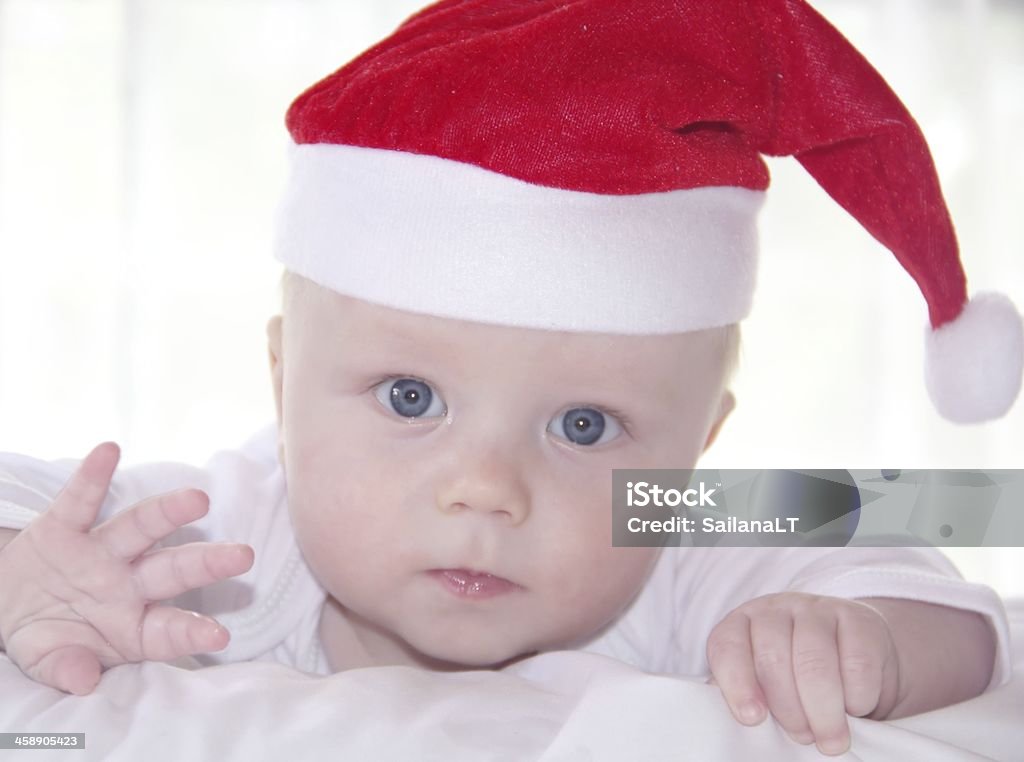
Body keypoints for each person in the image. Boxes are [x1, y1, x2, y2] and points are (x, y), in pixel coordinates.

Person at [0, 0, 1021, 758]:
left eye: (582, 425)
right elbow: (32, 504)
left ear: (698, 444)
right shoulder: (234, 536)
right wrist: (27, 574)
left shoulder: (673, 521)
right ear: (282, 382)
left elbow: (944, 587)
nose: (484, 488)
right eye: (411, 398)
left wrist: (865, 637)